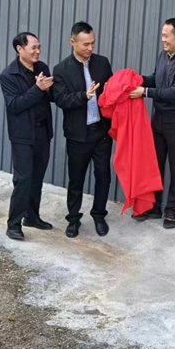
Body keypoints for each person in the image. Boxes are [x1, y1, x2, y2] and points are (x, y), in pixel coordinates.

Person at [130, 18, 175, 229]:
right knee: (155, 164)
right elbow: (156, 79)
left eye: (166, 36)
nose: (163, 39)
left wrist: (145, 92)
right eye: (162, 35)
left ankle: (172, 211)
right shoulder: (163, 56)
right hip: (158, 119)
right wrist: (137, 80)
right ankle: (154, 206)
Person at [53, 22, 113, 239]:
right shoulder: (61, 69)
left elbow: (111, 91)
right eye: (85, 44)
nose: (90, 48)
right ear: (72, 42)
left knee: (103, 175)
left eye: (93, 43)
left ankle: (99, 215)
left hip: (101, 131)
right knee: (76, 179)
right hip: (78, 134)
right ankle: (73, 219)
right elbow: (61, 99)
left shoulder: (102, 63)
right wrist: (84, 96)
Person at [0, 33, 54, 240]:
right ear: (20, 49)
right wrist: (38, 88)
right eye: (33, 48)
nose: (37, 51)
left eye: (39, 47)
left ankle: (32, 217)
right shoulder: (8, 75)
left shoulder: (42, 68)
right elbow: (14, 105)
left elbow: (51, 96)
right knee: (23, 179)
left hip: (43, 131)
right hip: (22, 134)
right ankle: (13, 224)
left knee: (37, 177)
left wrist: (48, 90)